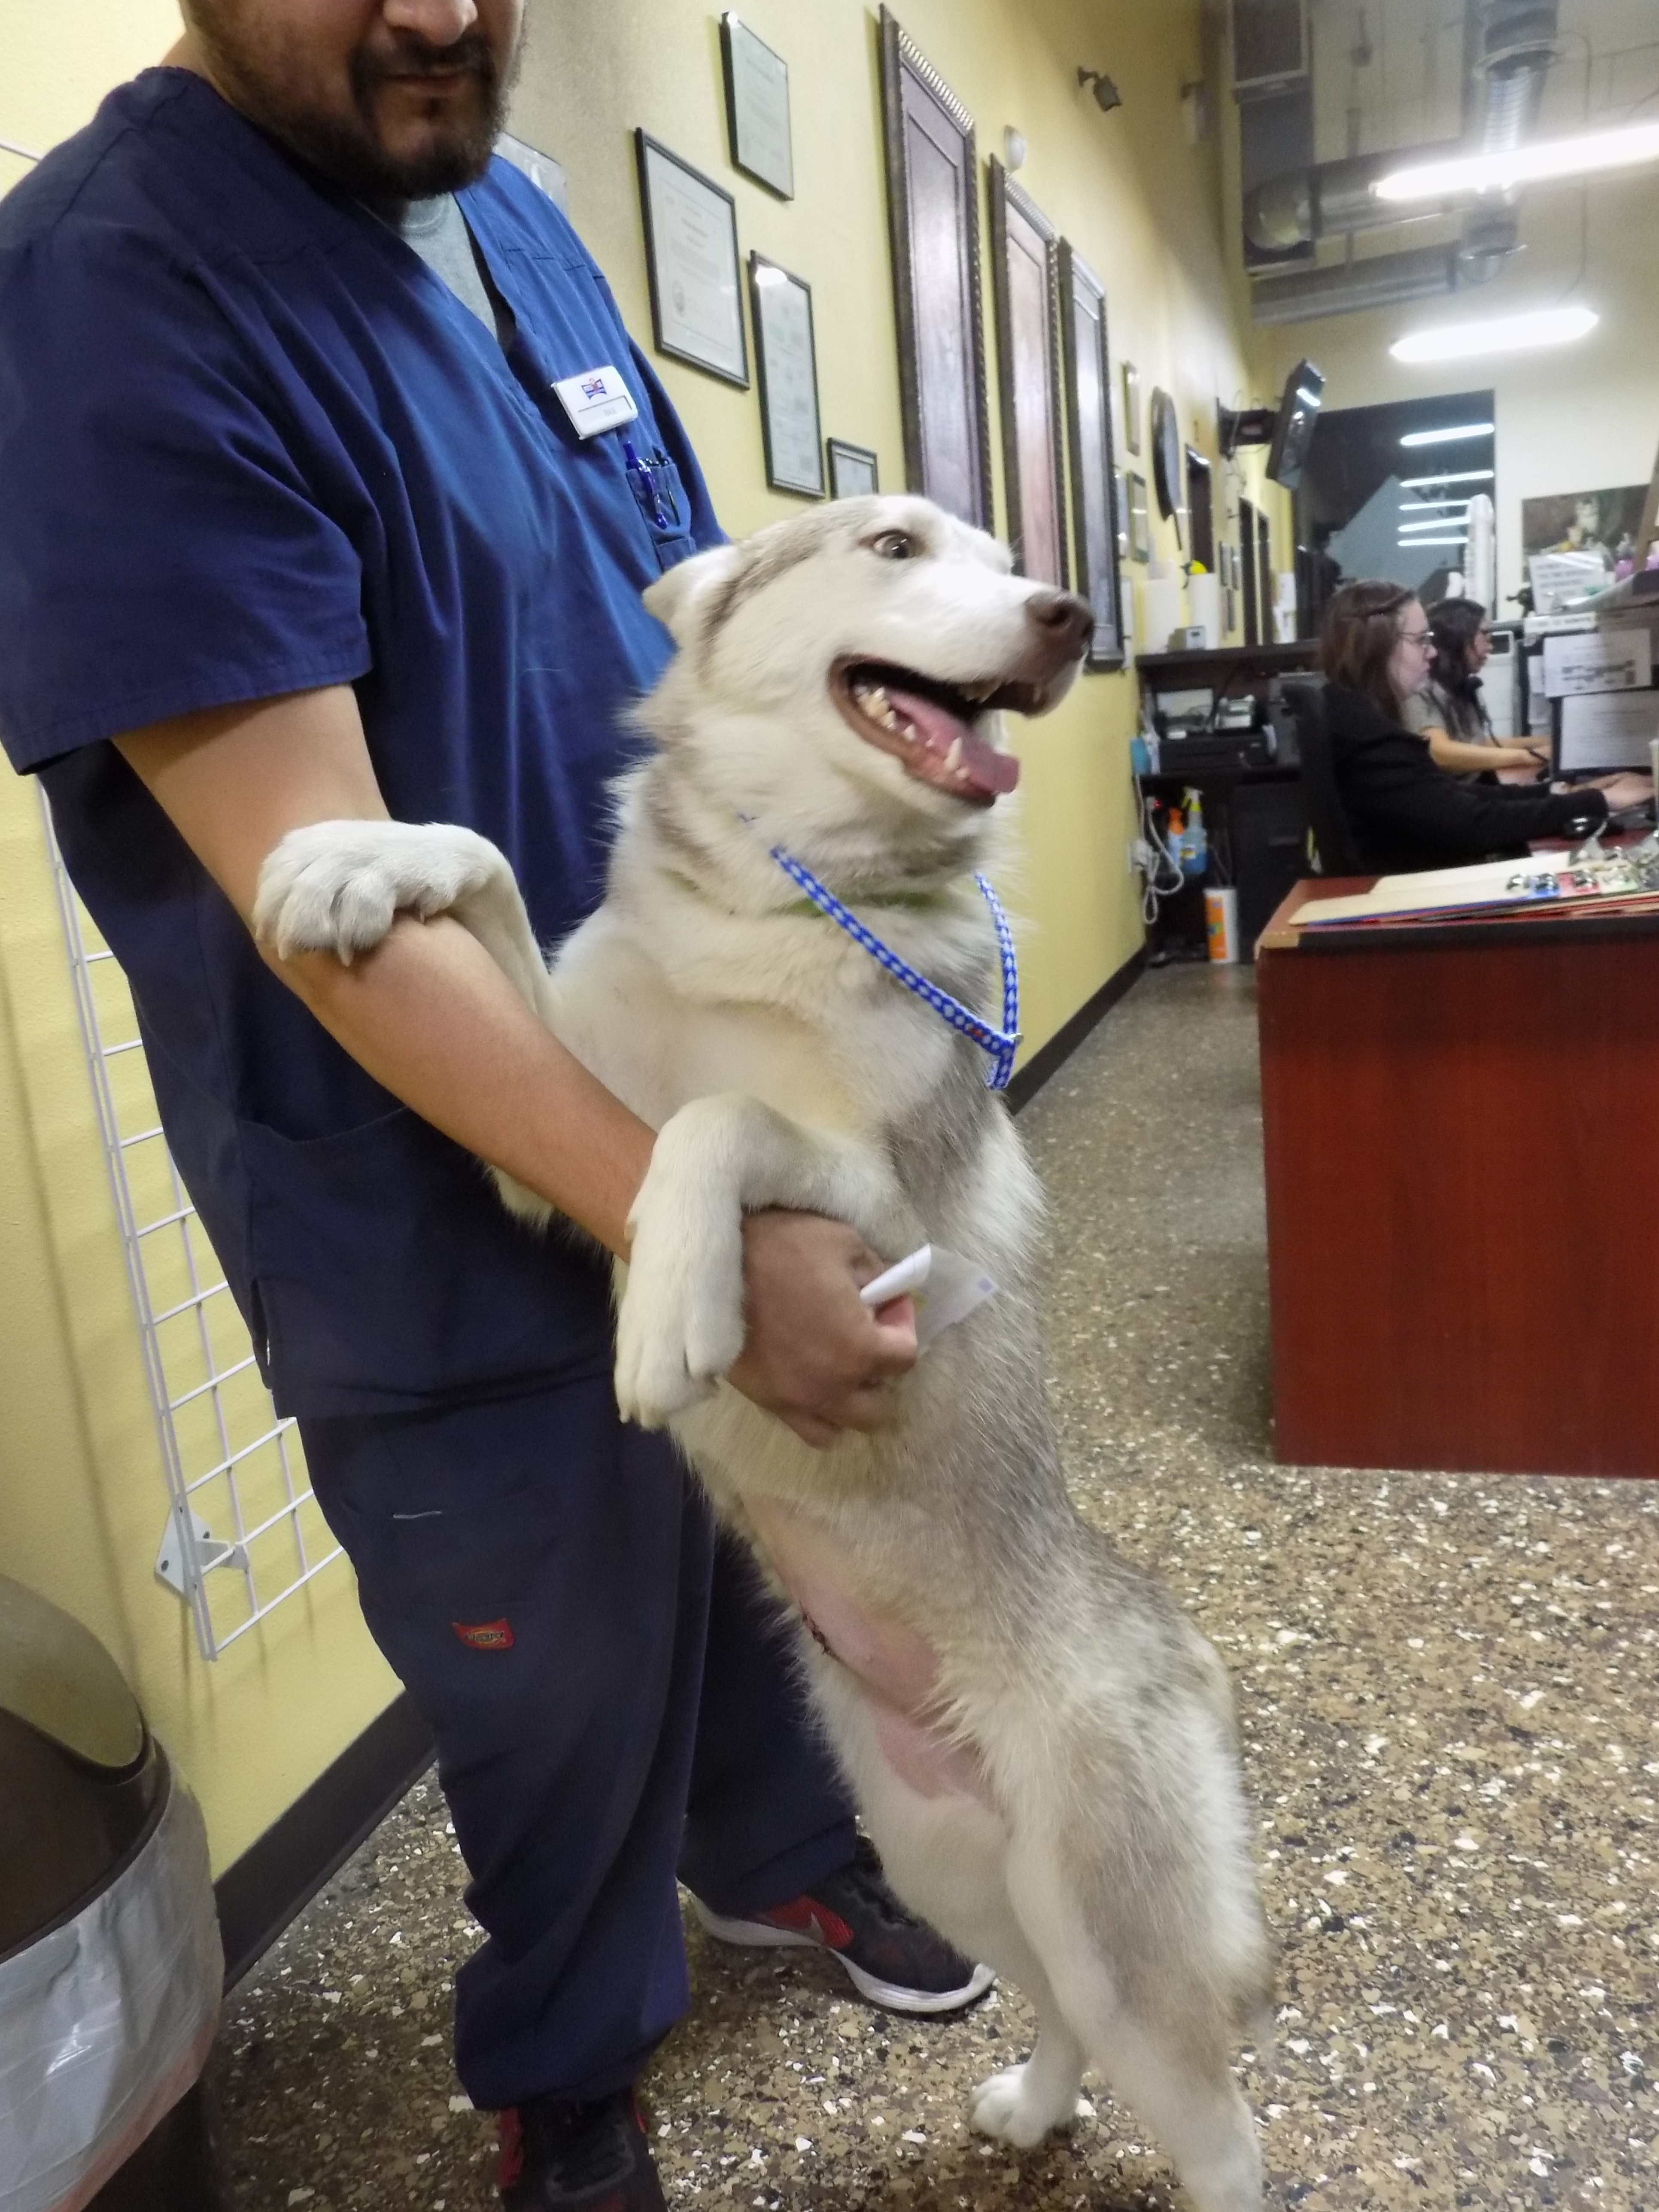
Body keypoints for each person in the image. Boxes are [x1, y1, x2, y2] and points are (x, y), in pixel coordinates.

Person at [0, 6, 991, 2209]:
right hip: (414, 1188)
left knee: (746, 1540)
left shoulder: (512, 214)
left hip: (694, 1048)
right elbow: (324, 893)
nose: (440, 6)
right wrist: (709, 1233)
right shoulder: (107, 287)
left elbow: (695, 638)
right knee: (542, 1665)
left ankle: (782, 1854)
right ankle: (566, 2064)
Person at [1316, 581, 1651, 875]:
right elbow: (1470, 822)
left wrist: (1565, 794)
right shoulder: (1368, 736)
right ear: (1379, 644)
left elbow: (1456, 797)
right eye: (1421, 641)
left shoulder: (1356, 716)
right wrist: (1598, 801)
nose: (1431, 653)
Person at [1400, 595, 1547, 780]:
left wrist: (1543, 743)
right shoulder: (1422, 688)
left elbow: (1475, 745)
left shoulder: (1461, 686)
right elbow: (1441, 753)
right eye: (1485, 635)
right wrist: (1529, 756)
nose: (1490, 646)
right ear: (1458, 637)